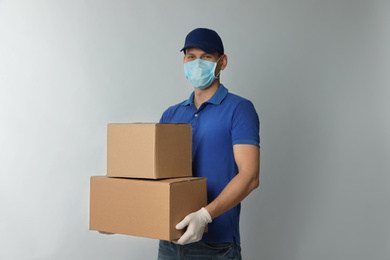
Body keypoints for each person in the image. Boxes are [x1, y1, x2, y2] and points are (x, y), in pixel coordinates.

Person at [158, 28, 260, 260]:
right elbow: (158, 177)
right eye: (191, 57)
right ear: (184, 61)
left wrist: (204, 216)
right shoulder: (171, 114)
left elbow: (250, 175)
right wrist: (122, 213)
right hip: (169, 241)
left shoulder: (239, 109)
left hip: (217, 246)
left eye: (206, 57)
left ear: (222, 62)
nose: (197, 63)